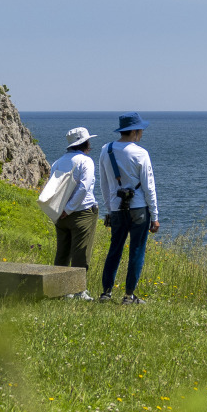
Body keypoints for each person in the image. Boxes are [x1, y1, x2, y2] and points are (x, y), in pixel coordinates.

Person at [97, 114, 159, 303]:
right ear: (134, 131)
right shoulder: (141, 153)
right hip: (139, 207)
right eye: (140, 130)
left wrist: (109, 209)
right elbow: (149, 187)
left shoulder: (105, 150)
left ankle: (106, 293)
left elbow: (105, 185)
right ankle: (129, 295)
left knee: (114, 249)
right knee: (137, 250)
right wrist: (155, 216)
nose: (141, 134)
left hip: (117, 208)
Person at [48, 126, 99, 298]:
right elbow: (84, 187)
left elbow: (51, 188)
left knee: (62, 252)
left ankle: (59, 289)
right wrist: (69, 209)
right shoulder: (86, 161)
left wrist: (61, 210)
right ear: (85, 143)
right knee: (81, 252)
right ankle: (79, 291)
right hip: (82, 212)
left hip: (59, 213)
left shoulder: (58, 162)